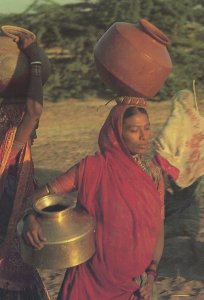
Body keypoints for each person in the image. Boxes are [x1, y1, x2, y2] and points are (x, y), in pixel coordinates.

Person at [23, 96, 165, 300]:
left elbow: (158, 229)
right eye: (134, 130)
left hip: (136, 287)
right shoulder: (93, 168)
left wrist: (151, 276)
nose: (144, 136)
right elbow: (40, 195)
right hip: (90, 282)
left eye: (147, 128)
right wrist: (30, 217)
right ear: (117, 133)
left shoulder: (153, 175)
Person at [0, 31, 50, 299]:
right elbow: (33, 110)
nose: (37, 127)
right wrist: (34, 56)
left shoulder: (7, 142)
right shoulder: (14, 142)